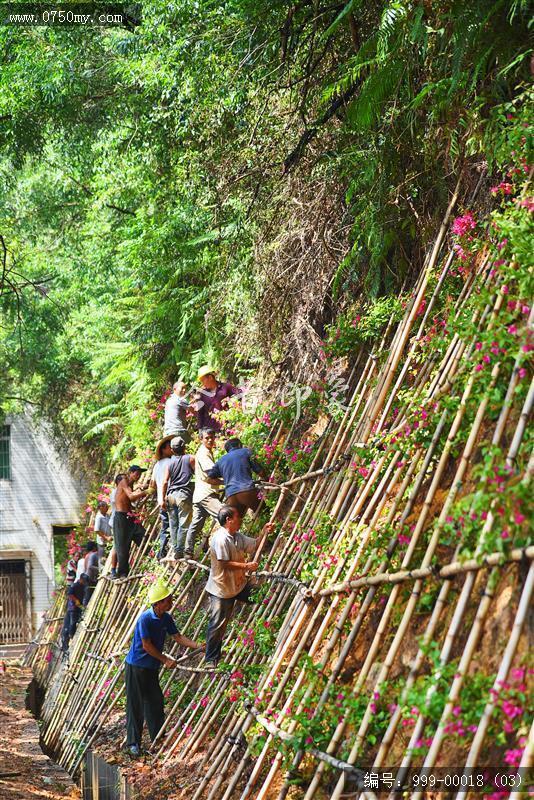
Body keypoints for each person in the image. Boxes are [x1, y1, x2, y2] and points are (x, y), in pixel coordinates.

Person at [124, 579, 202, 757]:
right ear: (158, 603)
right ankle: (133, 743)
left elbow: (178, 637)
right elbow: (146, 645)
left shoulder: (166, 618)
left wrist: (198, 646)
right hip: (136, 666)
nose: (171, 601)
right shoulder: (145, 618)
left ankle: (157, 737)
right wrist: (165, 659)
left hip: (151, 667)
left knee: (155, 701)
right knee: (135, 705)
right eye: (168, 599)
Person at [204, 505, 274, 665]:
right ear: (228, 520)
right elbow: (223, 564)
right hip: (220, 590)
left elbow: (255, 544)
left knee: (262, 596)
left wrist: (263, 532)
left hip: (238, 585)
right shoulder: (220, 539)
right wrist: (246, 566)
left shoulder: (236, 536)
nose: (240, 520)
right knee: (218, 624)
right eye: (238, 517)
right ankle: (211, 659)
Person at [186, 428, 223, 555]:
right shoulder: (203, 453)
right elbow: (211, 473)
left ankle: (188, 550)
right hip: (206, 494)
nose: (210, 440)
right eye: (207, 438)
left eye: (212, 437)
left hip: (199, 495)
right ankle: (230, 546)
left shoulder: (205, 452)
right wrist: (226, 480)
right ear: (201, 439)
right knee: (224, 515)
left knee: (196, 524)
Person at [206, 438, 267, 515]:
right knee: (264, 511)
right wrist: (266, 478)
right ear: (239, 445)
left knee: (237, 520)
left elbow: (209, 479)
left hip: (231, 496)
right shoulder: (246, 451)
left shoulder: (221, 460)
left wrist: (226, 482)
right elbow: (260, 472)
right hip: (246, 490)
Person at [114, 466, 151, 577]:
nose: (138, 476)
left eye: (140, 474)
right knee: (122, 546)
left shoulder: (131, 485)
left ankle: (153, 556)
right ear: (130, 473)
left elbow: (130, 499)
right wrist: (146, 492)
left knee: (143, 535)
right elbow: (131, 496)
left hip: (130, 516)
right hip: (121, 518)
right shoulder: (123, 480)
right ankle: (122, 573)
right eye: (137, 473)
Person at [161, 437, 194, 560]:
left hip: (170, 495)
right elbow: (199, 474)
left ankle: (176, 549)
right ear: (184, 447)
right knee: (184, 524)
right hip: (183, 495)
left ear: (172, 450)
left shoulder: (169, 463)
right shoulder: (190, 459)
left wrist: (163, 497)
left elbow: (165, 482)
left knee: (173, 524)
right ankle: (180, 550)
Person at [194, 366, 238, 431]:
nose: (202, 383)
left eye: (203, 380)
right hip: (210, 431)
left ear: (210, 377)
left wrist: (231, 401)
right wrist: (200, 429)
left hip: (227, 427)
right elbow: (200, 413)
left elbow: (239, 395)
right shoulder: (202, 394)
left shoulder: (226, 387)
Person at [151, 435, 174, 559]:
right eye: (170, 447)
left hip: (161, 499)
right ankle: (173, 549)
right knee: (174, 524)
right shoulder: (171, 462)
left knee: (165, 526)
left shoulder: (156, 466)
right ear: (164, 449)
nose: (172, 449)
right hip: (170, 496)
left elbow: (152, 484)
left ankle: (161, 552)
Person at [62, 572, 89, 652]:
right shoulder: (74, 585)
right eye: (84, 581)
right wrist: (75, 600)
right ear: (80, 579)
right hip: (72, 607)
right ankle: (70, 638)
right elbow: (69, 594)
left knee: (75, 622)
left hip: (78, 608)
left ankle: (72, 637)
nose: (84, 583)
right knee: (71, 624)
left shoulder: (83, 586)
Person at [108, 473, 125, 577]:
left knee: (120, 546)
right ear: (119, 482)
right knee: (116, 546)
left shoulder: (119, 491)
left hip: (119, 522)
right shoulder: (115, 492)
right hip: (116, 522)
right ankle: (113, 569)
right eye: (124, 480)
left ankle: (118, 568)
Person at [83, 541, 99, 606]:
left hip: (85, 576)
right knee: (89, 595)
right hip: (90, 577)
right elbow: (90, 566)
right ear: (94, 547)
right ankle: (85, 610)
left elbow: (85, 567)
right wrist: (100, 569)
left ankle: (84, 610)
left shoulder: (87, 555)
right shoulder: (93, 554)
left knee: (87, 595)